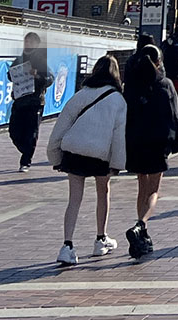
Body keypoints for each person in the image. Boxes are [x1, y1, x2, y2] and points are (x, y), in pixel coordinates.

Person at [46, 54, 127, 266]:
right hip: (100, 154)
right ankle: (101, 239)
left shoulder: (82, 94)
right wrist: (117, 163)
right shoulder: (118, 99)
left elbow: (62, 125)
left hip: (74, 151)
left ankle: (67, 245)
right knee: (103, 191)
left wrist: (55, 155)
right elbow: (118, 136)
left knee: (74, 199)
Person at [122, 46, 178, 258]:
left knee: (142, 186)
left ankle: (142, 234)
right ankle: (141, 225)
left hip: (136, 143)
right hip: (157, 143)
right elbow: (174, 116)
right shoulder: (164, 84)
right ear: (159, 62)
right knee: (154, 190)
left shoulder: (131, 85)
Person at [7, 33, 54, 172]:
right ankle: (24, 150)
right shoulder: (19, 59)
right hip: (20, 100)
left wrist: (37, 75)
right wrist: (13, 74)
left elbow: (50, 78)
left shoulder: (41, 60)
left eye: (31, 42)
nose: (27, 44)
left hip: (35, 102)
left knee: (31, 133)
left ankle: (26, 160)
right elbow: (10, 75)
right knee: (14, 132)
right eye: (26, 41)